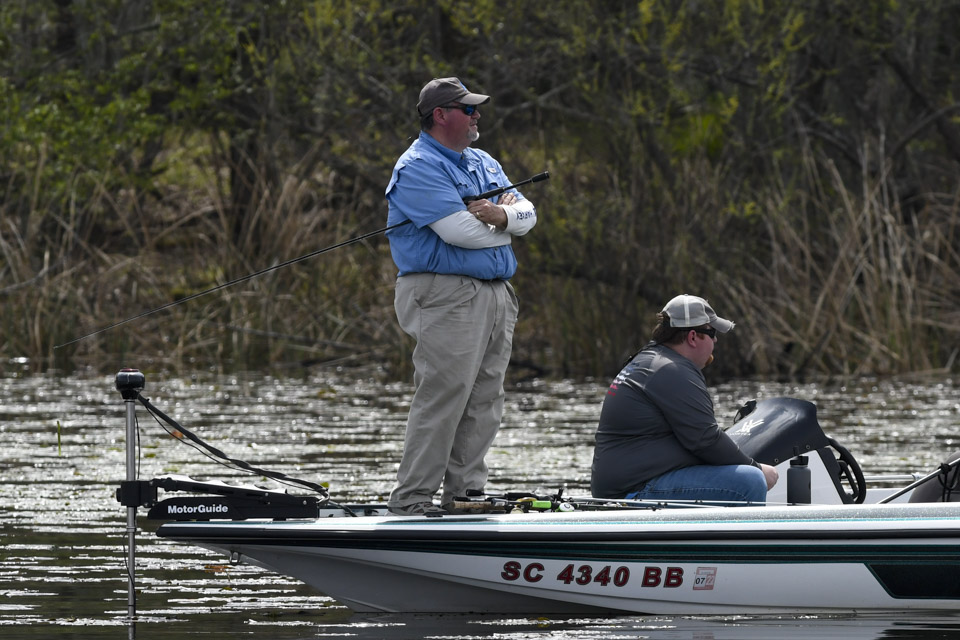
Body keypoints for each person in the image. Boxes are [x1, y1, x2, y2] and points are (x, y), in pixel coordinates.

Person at [383, 77, 538, 515]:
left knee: (486, 397)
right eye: (468, 109)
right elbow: (460, 233)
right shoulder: (417, 166)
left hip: (495, 293)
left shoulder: (484, 161)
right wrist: (506, 225)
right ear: (440, 114)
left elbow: (528, 214)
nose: (477, 115)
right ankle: (412, 499)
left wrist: (501, 216)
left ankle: (464, 495)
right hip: (445, 293)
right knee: (445, 393)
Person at [590, 294, 779, 504]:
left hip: (624, 485)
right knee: (750, 481)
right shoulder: (671, 370)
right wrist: (757, 468)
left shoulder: (650, 361)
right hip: (633, 491)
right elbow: (705, 440)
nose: (715, 340)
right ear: (693, 337)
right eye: (712, 333)